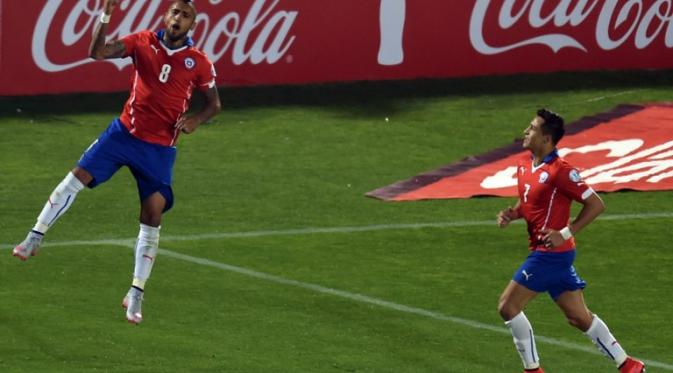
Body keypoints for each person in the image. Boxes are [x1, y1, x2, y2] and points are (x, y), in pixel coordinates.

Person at [13, 0, 221, 325]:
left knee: (152, 215)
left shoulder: (199, 62)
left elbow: (214, 104)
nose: (178, 18)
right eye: (175, 12)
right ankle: (35, 236)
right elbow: (97, 52)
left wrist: (197, 119)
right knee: (76, 176)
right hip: (124, 133)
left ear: (193, 25)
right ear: (165, 16)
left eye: (186, 15)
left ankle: (136, 292)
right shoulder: (142, 42)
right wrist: (106, 15)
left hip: (158, 149)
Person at [496, 109, 645, 373]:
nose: (525, 131)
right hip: (553, 255)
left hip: (551, 254)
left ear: (546, 138)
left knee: (508, 306)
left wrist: (565, 232)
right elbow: (529, 201)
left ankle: (533, 370)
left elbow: (596, 204)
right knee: (578, 318)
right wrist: (513, 213)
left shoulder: (561, 171)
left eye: (531, 128)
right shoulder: (524, 165)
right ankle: (628, 364)